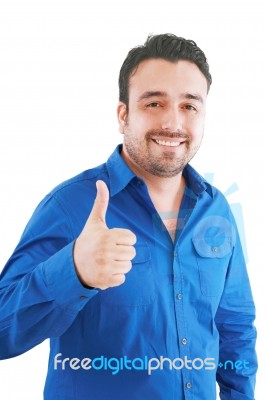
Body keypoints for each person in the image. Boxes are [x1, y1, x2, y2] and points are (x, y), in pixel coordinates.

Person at [0, 33, 257, 400]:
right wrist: (73, 271)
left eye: (189, 106)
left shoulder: (215, 210)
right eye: (154, 103)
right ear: (124, 115)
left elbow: (234, 328)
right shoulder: (71, 205)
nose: (173, 122)